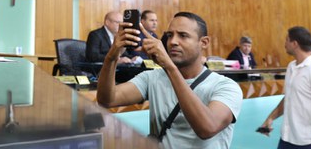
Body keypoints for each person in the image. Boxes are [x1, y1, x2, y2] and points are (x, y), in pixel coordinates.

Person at [97, 12, 242, 149]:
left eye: (183, 35)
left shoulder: (226, 86)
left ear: (204, 42)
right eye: (169, 35)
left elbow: (207, 128)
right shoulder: (152, 78)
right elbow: (107, 100)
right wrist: (112, 57)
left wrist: (169, 67)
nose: (173, 42)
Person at [258, 27, 311, 149]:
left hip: (310, 142)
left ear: (294, 44)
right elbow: (290, 97)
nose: (285, 43)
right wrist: (271, 118)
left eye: (287, 40)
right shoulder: (291, 67)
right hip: (287, 139)